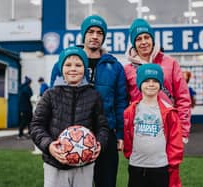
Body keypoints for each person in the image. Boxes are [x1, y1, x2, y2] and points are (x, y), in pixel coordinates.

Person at [30, 46, 110, 187]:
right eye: (68, 65)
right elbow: (36, 126)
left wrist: (99, 144)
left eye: (78, 65)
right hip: (54, 163)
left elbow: (103, 127)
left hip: (84, 165)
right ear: (61, 69)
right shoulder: (50, 94)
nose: (73, 68)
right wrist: (49, 146)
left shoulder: (94, 95)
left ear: (84, 69)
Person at [78, 15, 128, 187]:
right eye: (90, 31)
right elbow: (55, 99)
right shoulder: (69, 62)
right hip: (76, 135)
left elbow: (121, 102)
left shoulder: (114, 66)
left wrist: (120, 134)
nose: (95, 36)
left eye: (99, 33)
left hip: (106, 135)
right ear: (83, 34)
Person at [124, 18, 191, 144]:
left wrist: (182, 130)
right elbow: (124, 102)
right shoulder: (127, 70)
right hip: (140, 130)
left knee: (169, 163)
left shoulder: (170, 63)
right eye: (138, 39)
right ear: (133, 43)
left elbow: (183, 98)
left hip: (169, 127)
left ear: (152, 39)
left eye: (146, 37)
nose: (143, 42)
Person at [123, 64, 184, 187]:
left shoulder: (169, 111)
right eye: (146, 81)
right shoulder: (130, 111)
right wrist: (130, 155)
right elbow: (128, 136)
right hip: (136, 165)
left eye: (155, 81)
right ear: (139, 84)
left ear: (160, 85)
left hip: (160, 166)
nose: (151, 84)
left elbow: (175, 141)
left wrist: (172, 163)